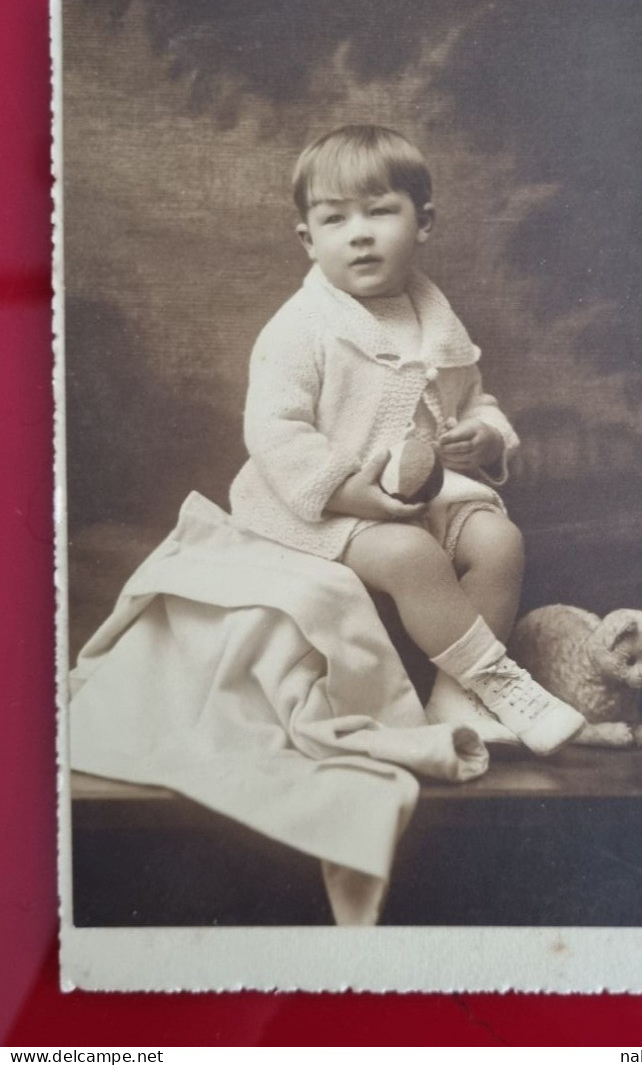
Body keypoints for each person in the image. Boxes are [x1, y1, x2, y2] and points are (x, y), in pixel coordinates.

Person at [229, 124, 584, 756]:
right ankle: (500, 682)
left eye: (380, 212)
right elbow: (274, 431)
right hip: (320, 505)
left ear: (422, 223)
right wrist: (345, 492)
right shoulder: (302, 328)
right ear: (309, 241)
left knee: (500, 541)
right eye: (335, 220)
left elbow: (473, 398)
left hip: (423, 494)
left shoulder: (436, 320)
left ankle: (454, 694)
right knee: (411, 557)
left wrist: (484, 437)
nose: (359, 233)